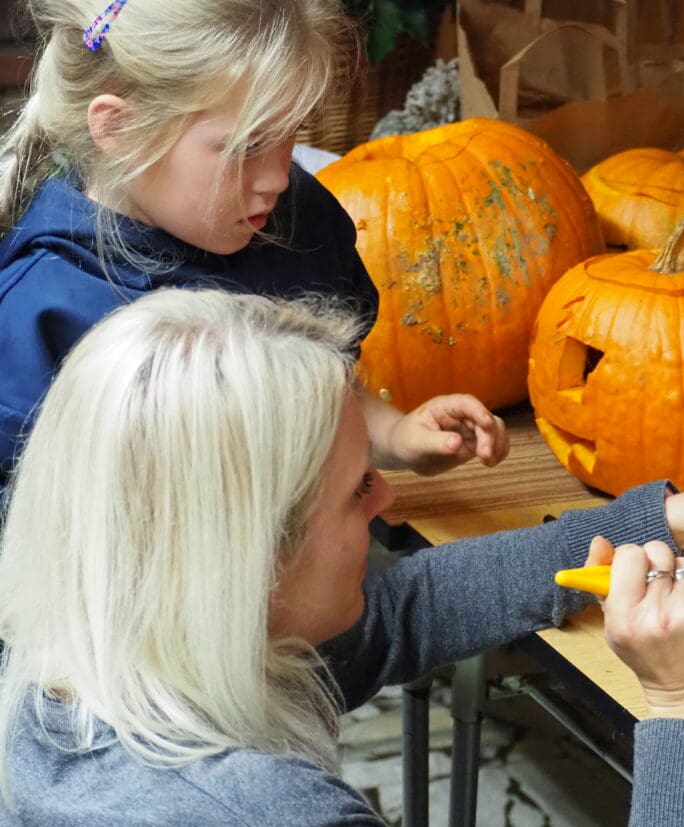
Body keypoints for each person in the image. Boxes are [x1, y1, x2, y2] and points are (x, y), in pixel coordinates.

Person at [0, 288, 684, 827]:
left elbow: (401, 610)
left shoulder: (81, 664)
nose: (388, 501)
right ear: (248, 560)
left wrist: (667, 519)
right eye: (360, 488)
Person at [0, 0, 507, 492]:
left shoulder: (295, 221)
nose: (278, 178)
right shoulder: (41, 312)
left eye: (291, 134)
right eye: (247, 146)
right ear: (121, 128)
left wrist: (395, 436)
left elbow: (319, 388)